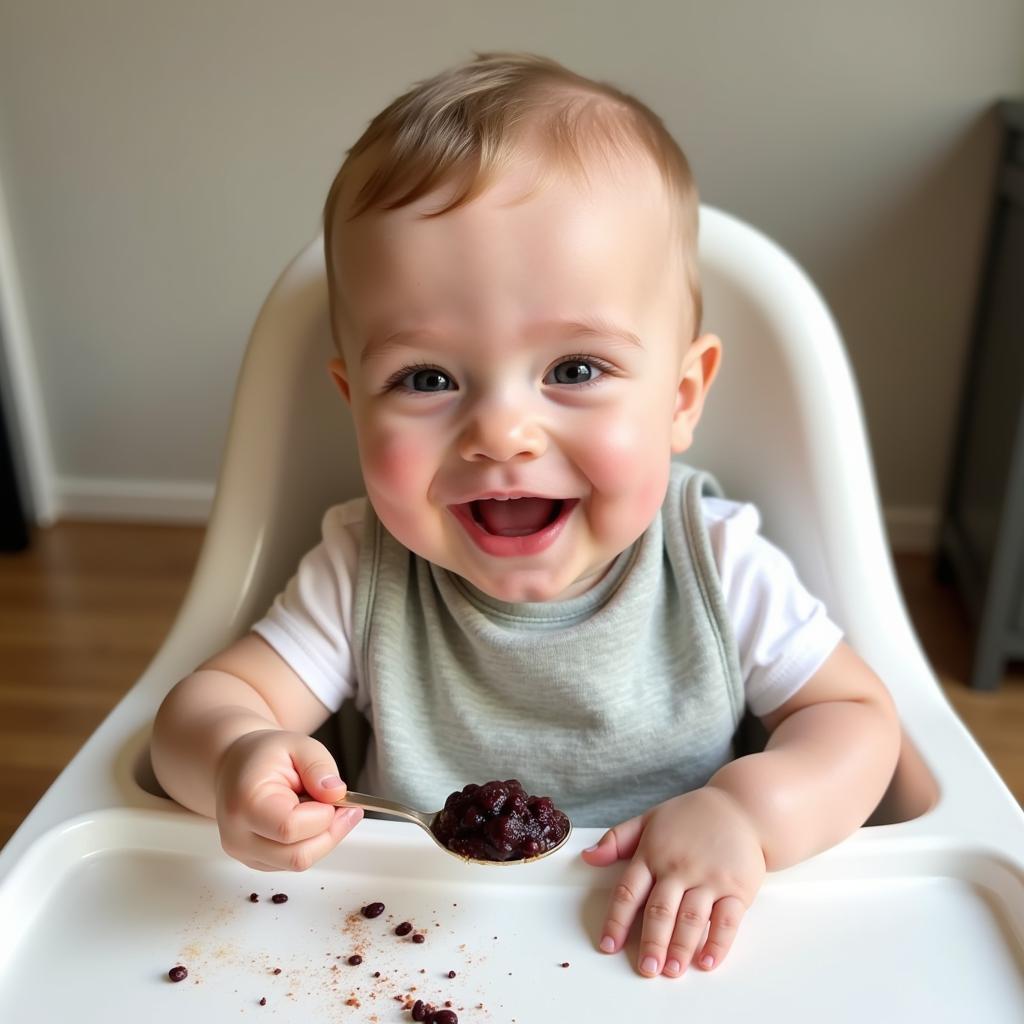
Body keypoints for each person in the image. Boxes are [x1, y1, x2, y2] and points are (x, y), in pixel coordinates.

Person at [151, 52, 901, 981]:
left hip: (668, 963)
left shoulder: (710, 558)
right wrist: (238, 758)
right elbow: (199, 713)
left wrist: (751, 814)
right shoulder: (366, 566)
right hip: (408, 956)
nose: (501, 432)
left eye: (574, 369)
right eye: (426, 378)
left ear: (679, 395)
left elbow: (857, 723)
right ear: (354, 402)